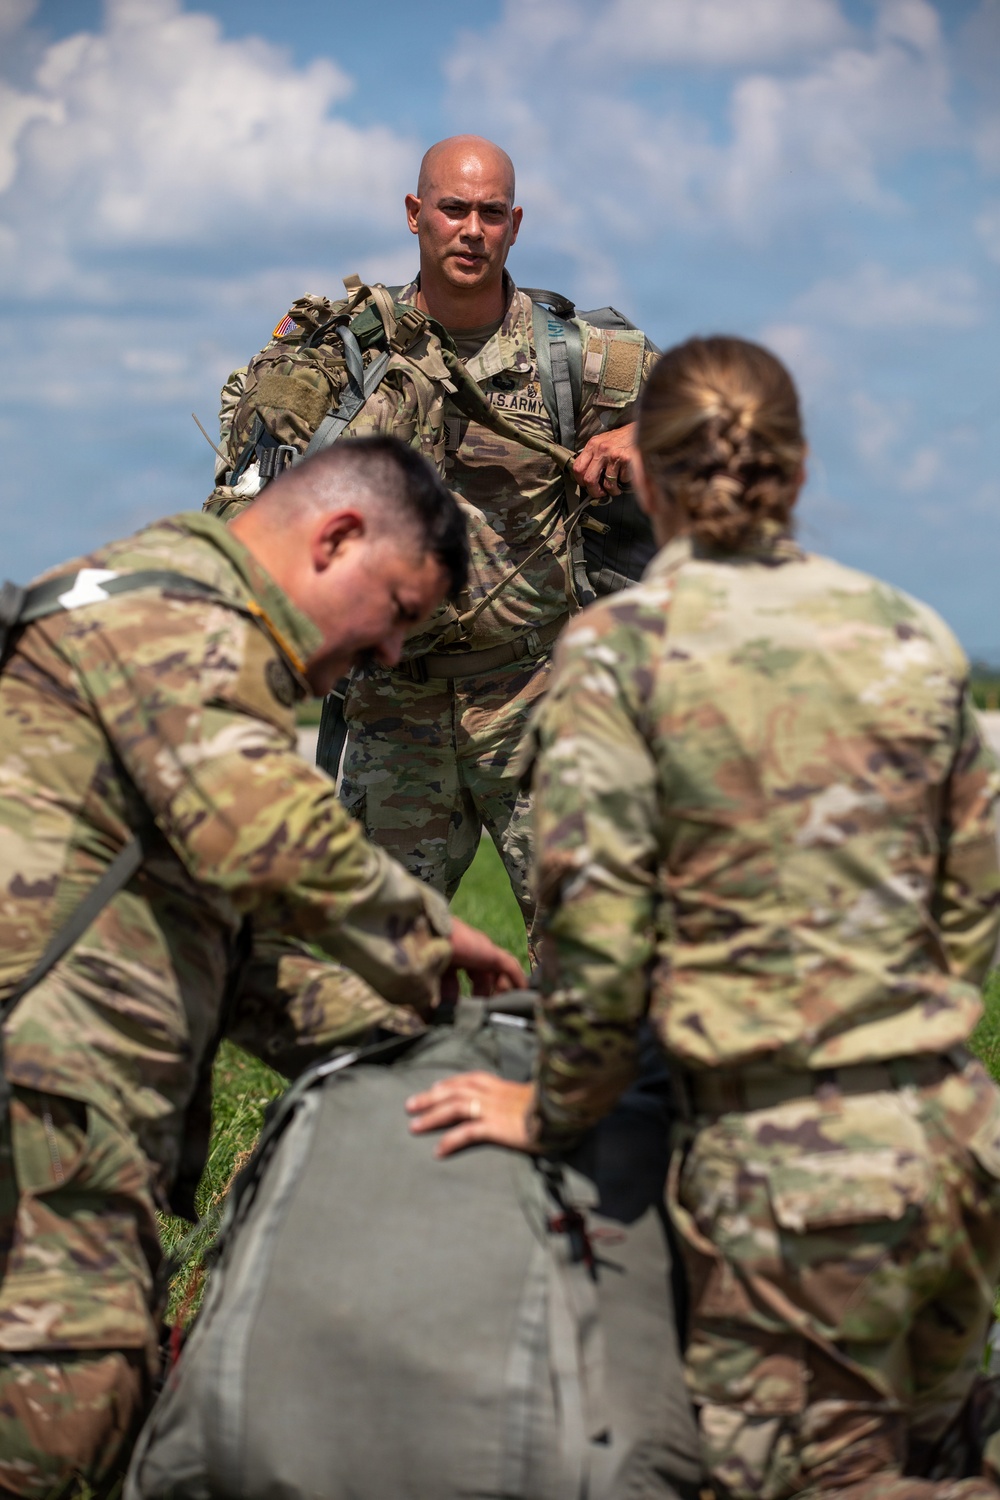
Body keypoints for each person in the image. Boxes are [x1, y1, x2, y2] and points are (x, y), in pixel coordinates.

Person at [407, 337, 1000, 1500]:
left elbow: (594, 932)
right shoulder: (907, 632)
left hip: (785, 1183)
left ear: (651, 478)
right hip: (952, 1144)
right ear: (801, 467)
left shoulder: (623, 653)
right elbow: (971, 894)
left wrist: (553, 1108)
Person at [0, 436, 523, 1497]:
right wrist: (431, 933)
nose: (385, 657)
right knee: (56, 1412)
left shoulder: (167, 624)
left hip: (59, 1104)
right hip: (42, 1099)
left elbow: (233, 938)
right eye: (399, 614)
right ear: (337, 538)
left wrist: (428, 1042)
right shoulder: (179, 613)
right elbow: (265, 837)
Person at [210, 134, 656, 942]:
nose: (472, 230)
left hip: (534, 697)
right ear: (417, 215)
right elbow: (248, 481)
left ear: (515, 225)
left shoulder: (582, 357)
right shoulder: (346, 354)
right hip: (393, 703)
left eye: (491, 213)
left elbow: (722, 413)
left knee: (600, 955)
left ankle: (577, 1075)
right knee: (368, 960)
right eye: (454, 209)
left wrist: (643, 439)